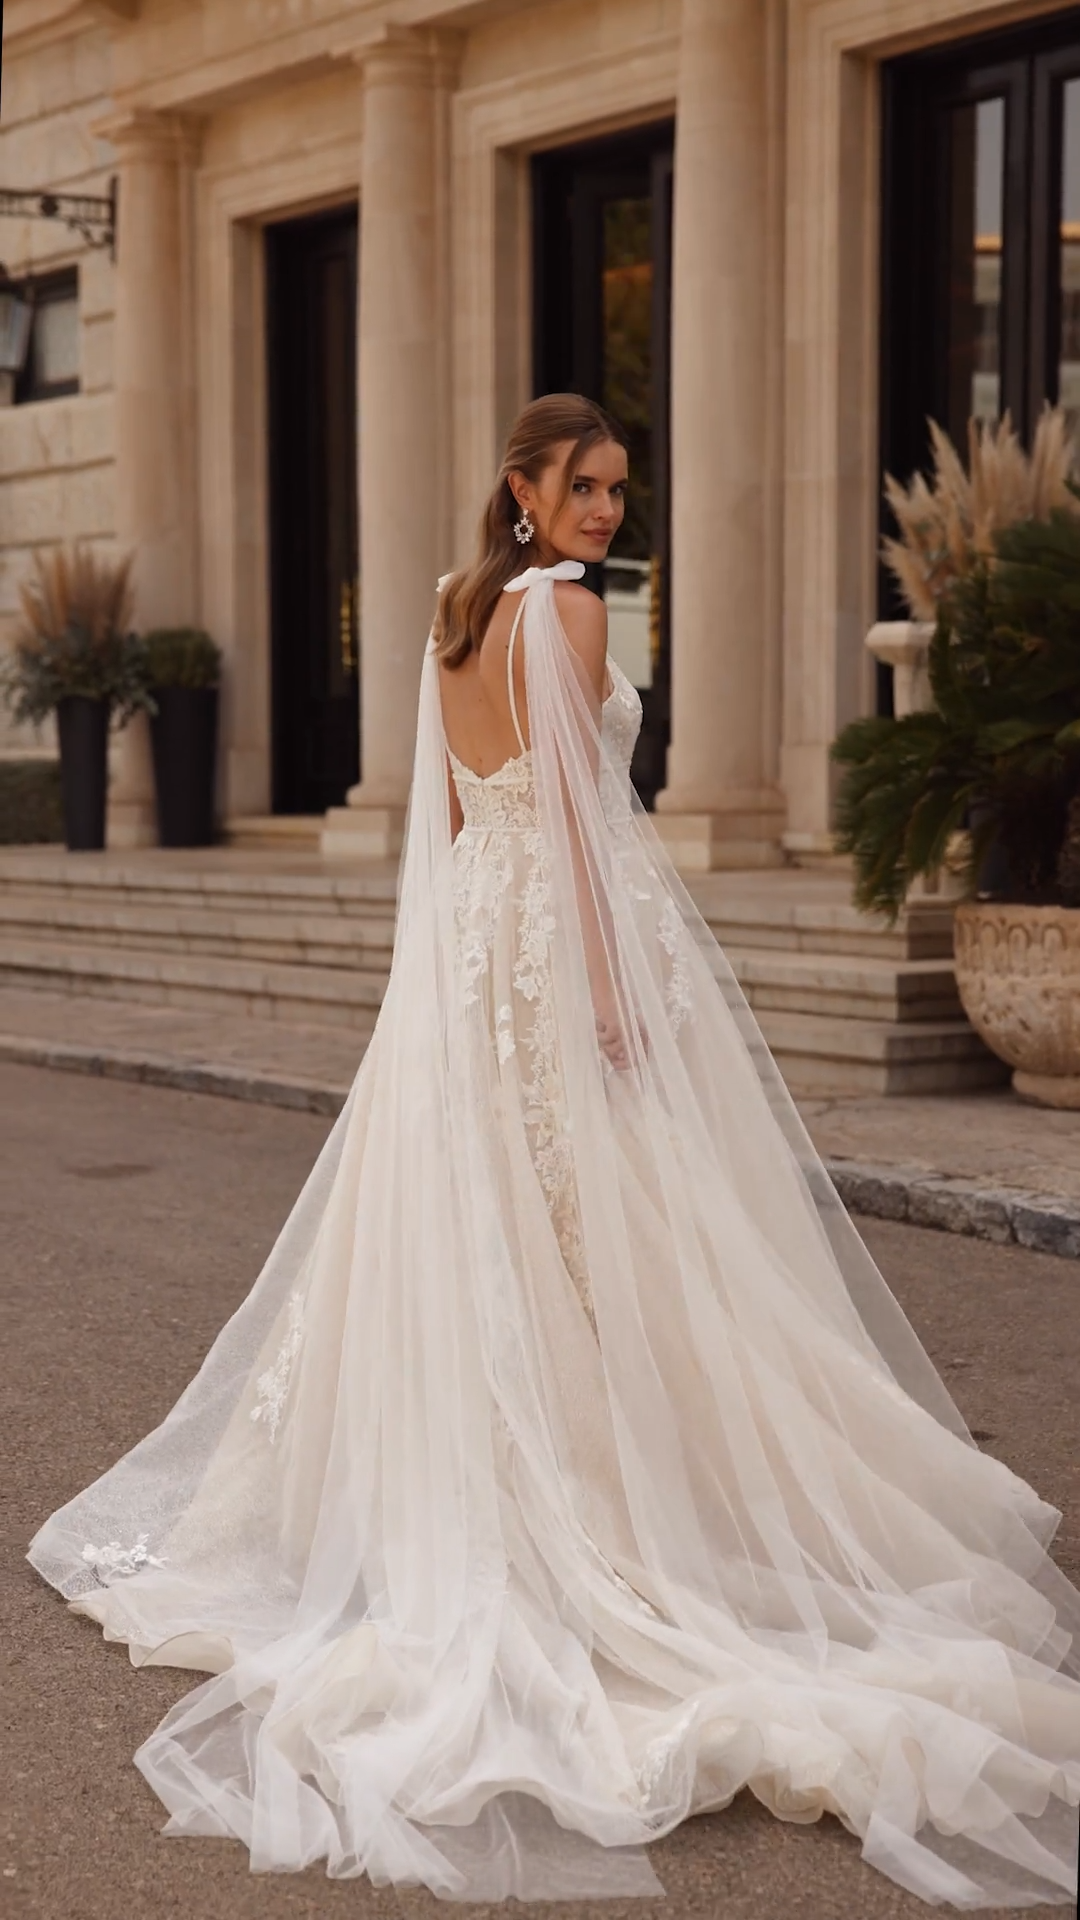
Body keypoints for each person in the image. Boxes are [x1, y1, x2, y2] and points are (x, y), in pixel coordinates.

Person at [28, 393, 1080, 1907]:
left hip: (468, 958)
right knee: (607, 1226)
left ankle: (530, 1487)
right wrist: (601, 980)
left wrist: (460, 986)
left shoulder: (450, 625)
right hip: (554, 942)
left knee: (509, 1229)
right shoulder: (567, 617)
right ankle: (612, 1509)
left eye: (616, 491)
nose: (605, 512)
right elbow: (584, 829)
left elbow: (455, 827)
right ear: (520, 491)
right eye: (583, 488)